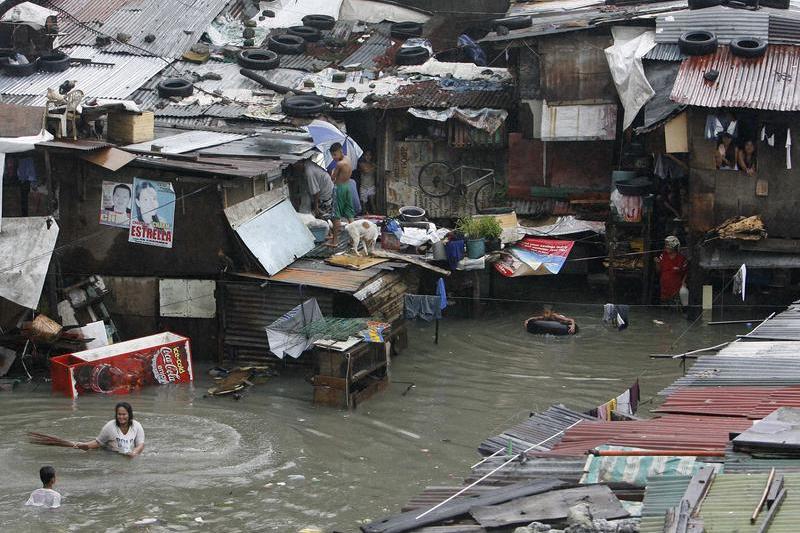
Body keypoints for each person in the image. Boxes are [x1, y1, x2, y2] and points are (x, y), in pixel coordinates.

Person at [73, 402, 145, 458]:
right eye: (119, 414)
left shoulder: (137, 426)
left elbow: (140, 445)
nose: (121, 417)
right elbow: (98, 442)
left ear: (129, 414)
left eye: (124, 414)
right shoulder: (109, 427)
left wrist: (134, 453)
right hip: (111, 454)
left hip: (128, 455)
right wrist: (84, 445)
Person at [329, 142, 355, 246]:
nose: (333, 157)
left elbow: (333, 177)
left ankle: (335, 241)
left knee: (336, 215)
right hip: (348, 187)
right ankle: (353, 239)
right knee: (349, 213)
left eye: (335, 154)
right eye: (332, 155)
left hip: (339, 188)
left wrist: (333, 172)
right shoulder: (348, 159)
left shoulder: (340, 164)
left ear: (340, 151)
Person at [655, 235, 688, 305]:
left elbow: (686, 272)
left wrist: (683, 283)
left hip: (676, 291)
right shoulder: (663, 256)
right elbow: (658, 270)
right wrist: (657, 263)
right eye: (666, 245)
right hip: (664, 290)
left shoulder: (681, 259)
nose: (666, 247)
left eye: (669, 245)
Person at [357, 149, 377, 214]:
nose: (368, 156)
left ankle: (375, 215)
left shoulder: (373, 164)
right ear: (363, 156)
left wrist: (373, 166)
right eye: (366, 155)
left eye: (369, 155)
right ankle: (364, 216)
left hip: (371, 186)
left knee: (372, 203)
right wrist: (374, 167)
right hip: (363, 187)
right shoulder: (361, 163)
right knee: (363, 205)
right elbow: (366, 170)